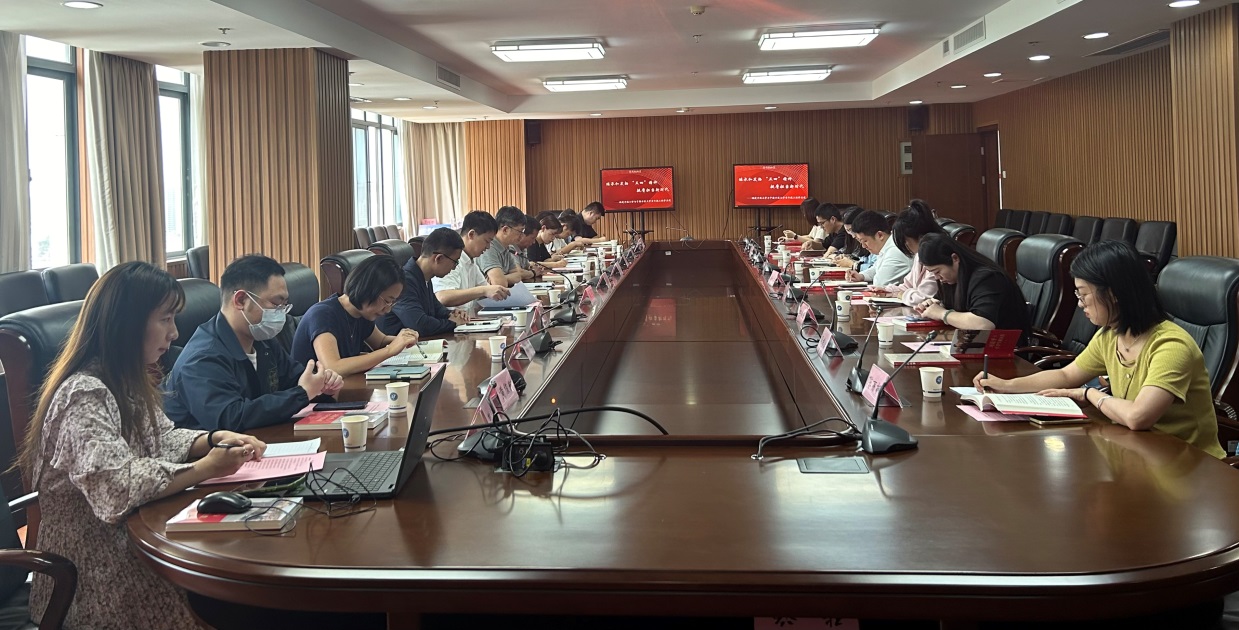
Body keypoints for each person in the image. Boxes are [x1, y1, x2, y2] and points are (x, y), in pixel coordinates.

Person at [20, 261, 267, 629]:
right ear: (128, 323)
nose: (174, 332)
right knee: (227, 600)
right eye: (165, 319)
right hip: (91, 572)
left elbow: (161, 437)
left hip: (135, 539)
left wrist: (211, 439)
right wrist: (206, 468)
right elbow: (116, 488)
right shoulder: (83, 394)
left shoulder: (125, 378)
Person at [975, 241, 1224, 458]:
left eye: (1083, 295)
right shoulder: (1111, 335)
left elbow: (1138, 417)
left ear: (1113, 293)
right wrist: (1005, 386)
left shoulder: (1170, 346)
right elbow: (1066, 375)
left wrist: (1090, 395)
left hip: (1188, 464)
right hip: (1138, 451)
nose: (1080, 304)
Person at [165, 255, 343, 432]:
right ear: (241, 300)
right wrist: (302, 393)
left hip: (260, 440)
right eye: (276, 304)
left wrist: (323, 385)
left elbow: (295, 379)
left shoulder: (263, 340)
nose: (281, 313)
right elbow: (230, 418)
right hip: (214, 448)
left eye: (284, 305)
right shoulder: (202, 358)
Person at [291, 255, 419, 376]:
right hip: (311, 391)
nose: (388, 309)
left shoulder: (361, 312)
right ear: (368, 289)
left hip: (341, 386)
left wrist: (404, 339)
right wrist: (390, 350)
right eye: (386, 301)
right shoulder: (323, 314)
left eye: (392, 303)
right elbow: (333, 367)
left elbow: (380, 341)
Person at [913, 233, 1032, 340]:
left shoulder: (987, 278)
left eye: (937, 271)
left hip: (1004, 348)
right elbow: (941, 301)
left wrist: (942, 314)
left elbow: (983, 324)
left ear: (955, 259)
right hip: (972, 344)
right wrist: (932, 305)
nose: (937, 277)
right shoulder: (951, 279)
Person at [380, 227, 470, 337]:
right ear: (439, 258)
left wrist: (452, 314)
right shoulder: (404, 281)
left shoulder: (424, 276)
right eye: (455, 262)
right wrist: (453, 323)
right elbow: (419, 325)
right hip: (395, 345)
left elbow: (437, 309)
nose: (454, 268)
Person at [434, 210, 511, 314]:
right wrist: (483, 291)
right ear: (471, 234)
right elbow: (443, 297)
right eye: (487, 241)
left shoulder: (471, 261)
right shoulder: (450, 258)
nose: (488, 247)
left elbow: (487, 289)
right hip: (450, 321)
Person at [879, 199, 946, 306]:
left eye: (905, 241)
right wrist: (887, 291)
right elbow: (908, 285)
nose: (905, 245)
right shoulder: (919, 254)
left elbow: (923, 297)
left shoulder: (937, 256)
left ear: (920, 237)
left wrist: (902, 295)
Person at [845, 209, 912, 286]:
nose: (863, 246)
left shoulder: (895, 251)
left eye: (865, 241)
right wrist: (861, 276)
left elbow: (880, 283)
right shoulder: (887, 245)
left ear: (880, 235)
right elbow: (876, 268)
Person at [480, 205, 535, 287]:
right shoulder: (489, 248)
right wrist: (501, 279)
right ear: (505, 230)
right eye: (520, 231)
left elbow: (518, 277)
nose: (522, 235)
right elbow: (499, 283)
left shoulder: (507, 247)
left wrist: (501, 278)